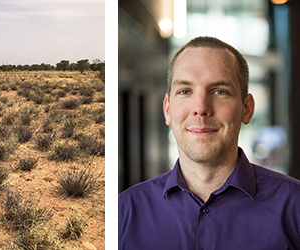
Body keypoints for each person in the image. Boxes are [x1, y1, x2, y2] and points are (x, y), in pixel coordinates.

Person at [118, 36, 300, 249]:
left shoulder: (295, 206)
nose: (201, 108)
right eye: (185, 91)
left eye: (219, 91)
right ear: (167, 109)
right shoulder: (124, 212)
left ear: (247, 109)